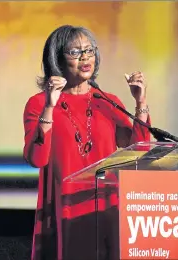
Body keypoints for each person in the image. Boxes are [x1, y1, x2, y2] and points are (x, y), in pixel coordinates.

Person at [23, 25, 151, 260]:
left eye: (89, 51)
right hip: (64, 209)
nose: (85, 58)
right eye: (75, 52)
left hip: (105, 208)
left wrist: (140, 102)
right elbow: (36, 158)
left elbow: (138, 149)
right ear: (57, 58)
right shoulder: (38, 103)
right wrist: (50, 107)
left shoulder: (107, 101)